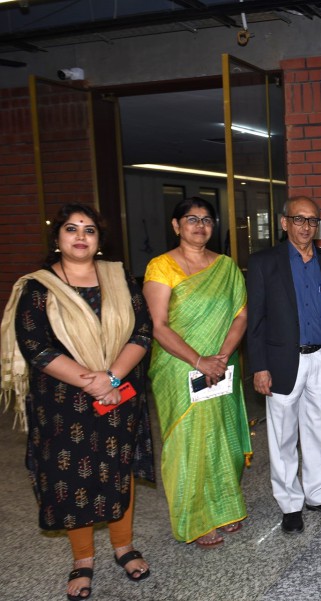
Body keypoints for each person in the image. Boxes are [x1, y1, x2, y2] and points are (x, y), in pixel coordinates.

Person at [1, 203, 154, 600]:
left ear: (99, 240)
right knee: (73, 477)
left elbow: (142, 331)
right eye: (71, 229)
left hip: (118, 392)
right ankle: (82, 559)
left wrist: (112, 377)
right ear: (57, 238)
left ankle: (124, 547)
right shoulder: (38, 287)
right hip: (63, 400)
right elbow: (35, 346)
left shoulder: (119, 278)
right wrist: (94, 383)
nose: (81, 236)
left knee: (118, 468)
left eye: (89, 229)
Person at [144, 197, 252, 549]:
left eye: (206, 219)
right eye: (191, 219)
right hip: (180, 368)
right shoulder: (161, 267)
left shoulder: (226, 267)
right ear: (176, 225)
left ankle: (224, 507)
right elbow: (158, 326)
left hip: (221, 365)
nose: (200, 225)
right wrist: (198, 361)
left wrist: (221, 357)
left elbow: (240, 315)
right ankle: (197, 518)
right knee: (190, 441)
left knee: (222, 435)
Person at [247, 196, 321, 534]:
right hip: (281, 361)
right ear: (284, 222)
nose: (306, 226)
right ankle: (290, 503)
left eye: (312, 220)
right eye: (299, 219)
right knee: (283, 436)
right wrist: (259, 366)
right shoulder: (263, 263)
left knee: (318, 430)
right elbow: (255, 321)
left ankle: (317, 494)